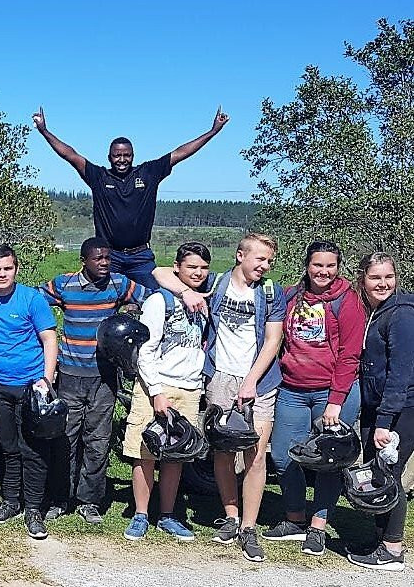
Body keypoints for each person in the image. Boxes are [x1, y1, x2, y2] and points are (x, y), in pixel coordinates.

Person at [157, 232, 284, 563]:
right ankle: (230, 517)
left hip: (259, 381)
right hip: (219, 378)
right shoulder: (214, 283)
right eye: (260, 259)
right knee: (223, 450)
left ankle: (250, 527)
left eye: (269, 260)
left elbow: (272, 341)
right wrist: (187, 292)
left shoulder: (272, 293)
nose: (265, 265)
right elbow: (158, 272)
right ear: (241, 256)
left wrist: (251, 381)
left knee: (256, 455)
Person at [32, 105, 229, 289]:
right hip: (109, 256)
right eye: (117, 155)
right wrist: (44, 131)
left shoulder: (149, 173)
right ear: (109, 157)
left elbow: (181, 152)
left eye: (126, 155)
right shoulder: (99, 177)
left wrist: (213, 131)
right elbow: (70, 155)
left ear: (133, 155)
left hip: (140, 256)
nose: (122, 159)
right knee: (104, 302)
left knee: (154, 300)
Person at [264, 241, 363, 557]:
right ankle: (294, 519)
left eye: (330, 266)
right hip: (293, 389)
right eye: (318, 265)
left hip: (333, 393)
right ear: (307, 265)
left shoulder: (347, 302)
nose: (324, 271)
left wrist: (336, 400)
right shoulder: (291, 295)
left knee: (328, 462)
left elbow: (350, 355)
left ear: (338, 267)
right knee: (283, 454)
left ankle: (317, 527)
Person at [40, 237, 146, 524]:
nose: (104, 263)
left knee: (98, 441)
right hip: (70, 375)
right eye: (97, 258)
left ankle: (90, 501)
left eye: (107, 258)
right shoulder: (65, 285)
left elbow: (149, 297)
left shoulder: (119, 284)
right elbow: (33, 299)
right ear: (83, 261)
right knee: (65, 439)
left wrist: (133, 309)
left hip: (104, 377)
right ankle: (61, 498)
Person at [0, 245, 58, 539]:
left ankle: (33, 509)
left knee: (33, 449)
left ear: (16, 268)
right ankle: (10, 501)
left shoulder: (32, 298)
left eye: (7, 268)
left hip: (31, 385)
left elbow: (49, 338)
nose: (2, 274)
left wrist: (47, 379)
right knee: (7, 447)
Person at [122, 242, 211, 542]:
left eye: (203, 267)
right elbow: (145, 350)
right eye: (191, 267)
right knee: (144, 452)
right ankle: (141, 514)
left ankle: (168, 515)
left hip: (189, 387)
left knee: (176, 455)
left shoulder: (206, 297)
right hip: (155, 386)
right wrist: (157, 392)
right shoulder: (160, 301)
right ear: (178, 267)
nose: (198, 273)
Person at [345, 252, 414, 571]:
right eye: (375, 277)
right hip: (378, 407)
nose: (383, 283)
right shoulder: (376, 311)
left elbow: (401, 371)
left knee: (391, 474)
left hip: (402, 409)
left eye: (388, 276)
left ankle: (393, 550)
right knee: (377, 473)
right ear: (363, 280)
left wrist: (385, 422)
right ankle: (379, 540)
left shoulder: (401, 314)